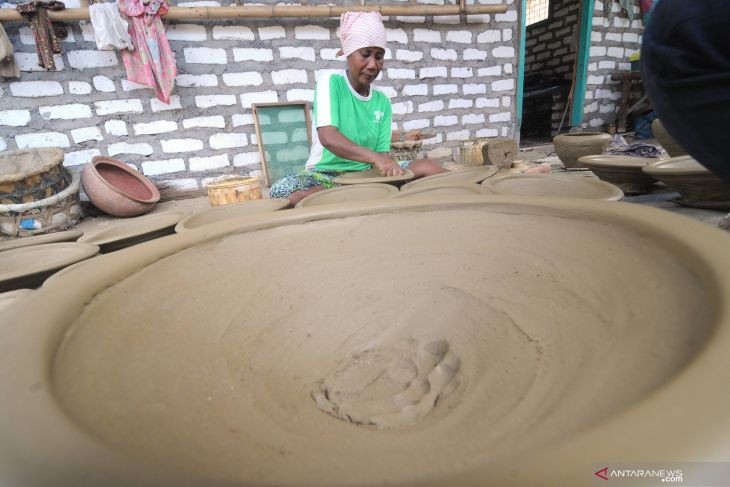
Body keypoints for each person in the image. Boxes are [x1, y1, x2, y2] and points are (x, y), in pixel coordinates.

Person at [269, 11, 447, 206]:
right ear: (348, 54)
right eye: (365, 55)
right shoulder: (331, 83)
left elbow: (383, 156)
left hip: (368, 176)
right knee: (284, 191)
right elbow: (328, 137)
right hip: (327, 176)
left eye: (379, 57)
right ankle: (359, 196)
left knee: (428, 167)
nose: (373, 65)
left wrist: (387, 169)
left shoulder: (382, 101)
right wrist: (375, 159)